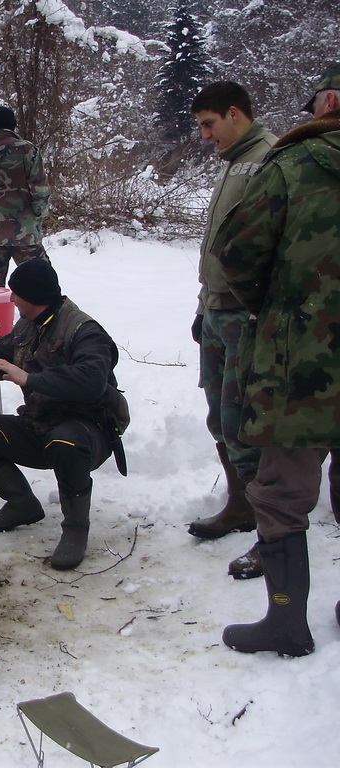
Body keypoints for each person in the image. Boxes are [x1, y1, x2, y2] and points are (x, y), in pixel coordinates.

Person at [216, 62, 340, 657]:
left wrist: (273, 308)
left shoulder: (294, 164)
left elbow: (237, 253)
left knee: (283, 489)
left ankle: (287, 623)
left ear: (327, 103)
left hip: (303, 364)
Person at [0, 259, 123, 570]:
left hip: (87, 432)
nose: (11, 299)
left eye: (16, 293)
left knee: (65, 441)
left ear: (33, 296)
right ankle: (21, 505)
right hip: (40, 424)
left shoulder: (85, 331)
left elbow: (91, 382)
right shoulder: (30, 324)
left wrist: (29, 379)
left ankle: (76, 529)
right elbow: (3, 354)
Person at [186, 82, 277, 581]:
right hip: (218, 312)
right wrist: (204, 304)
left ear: (235, 114)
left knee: (248, 423)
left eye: (209, 124)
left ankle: (272, 534)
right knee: (221, 417)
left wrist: (257, 312)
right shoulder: (233, 161)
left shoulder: (269, 160)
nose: (204, 136)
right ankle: (240, 506)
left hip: (247, 316)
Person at [0, 105, 51, 287]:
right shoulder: (28, 150)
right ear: (13, 126)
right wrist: (38, 214)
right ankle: (39, 314)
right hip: (25, 230)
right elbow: (41, 190)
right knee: (39, 281)